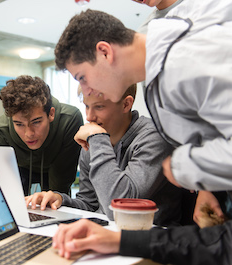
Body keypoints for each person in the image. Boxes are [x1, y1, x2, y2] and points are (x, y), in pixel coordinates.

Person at [51, 0, 232, 264]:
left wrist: (189, 166)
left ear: (105, 53)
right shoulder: (164, 48)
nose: (86, 91)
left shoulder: (185, 60)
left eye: (82, 77)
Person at [26, 84, 184, 227]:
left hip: (155, 241)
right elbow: (89, 204)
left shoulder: (153, 137)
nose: (89, 116)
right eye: (87, 106)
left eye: (99, 107)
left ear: (126, 104)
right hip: (111, 235)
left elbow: (119, 207)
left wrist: (96, 139)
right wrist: (61, 200)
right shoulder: (94, 139)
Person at [0, 75, 83, 196]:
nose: (29, 134)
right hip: (19, 168)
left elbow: (60, 187)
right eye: (19, 124)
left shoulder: (69, 120)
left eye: (36, 122)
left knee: (56, 199)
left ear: (51, 114)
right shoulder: (0, 130)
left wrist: (55, 198)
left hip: (57, 166)